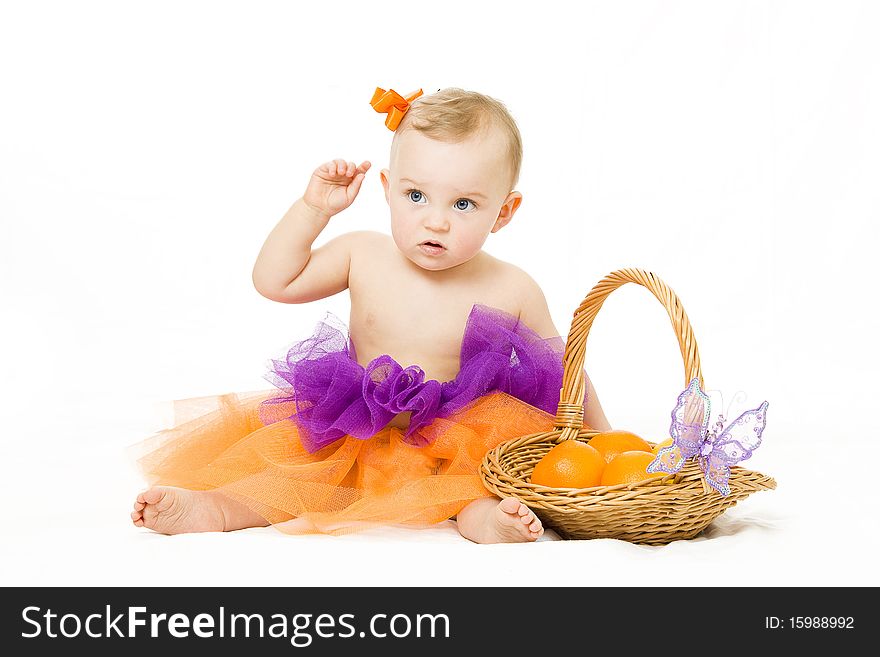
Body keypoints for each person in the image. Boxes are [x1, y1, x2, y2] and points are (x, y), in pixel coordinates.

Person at [130, 86, 611, 543]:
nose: (435, 220)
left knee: (480, 483)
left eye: (464, 204)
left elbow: (566, 371)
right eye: (416, 196)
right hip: (353, 428)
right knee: (291, 474)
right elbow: (275, 282)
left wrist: (605, 440)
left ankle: (490, 521)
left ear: (504, 212)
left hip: (453, 442)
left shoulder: (513, 286)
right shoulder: (363, 253)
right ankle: (216, 508)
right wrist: (313, 210)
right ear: (387, 187)